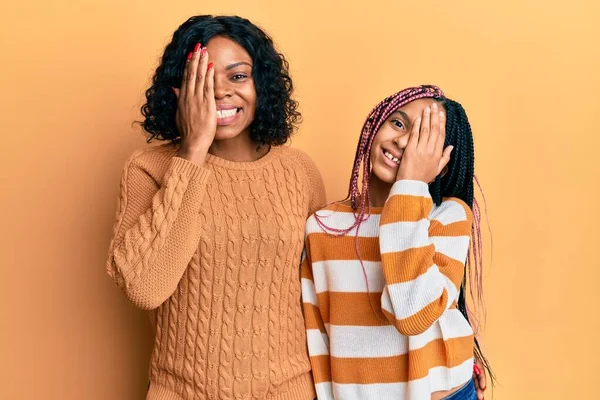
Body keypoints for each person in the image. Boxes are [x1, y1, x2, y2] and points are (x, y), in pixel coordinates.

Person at [106, 15, 325, 400]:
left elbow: (329, 294)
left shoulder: (299, 171)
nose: (220, 91)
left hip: (289, 389)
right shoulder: (149, 169)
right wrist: (192, 152)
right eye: (203, 78)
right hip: (182, 391)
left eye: (237, 76)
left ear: (263, 85)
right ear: (179, 90)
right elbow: (144, 288)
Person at [301, 85, 492, 399]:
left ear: (443, 161)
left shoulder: (447, 217)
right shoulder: (323, 227)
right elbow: (317, 336)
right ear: (376, 123)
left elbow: (413, 314)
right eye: (399, 123)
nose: (403, 142)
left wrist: (410, 184)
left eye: (423, 140)